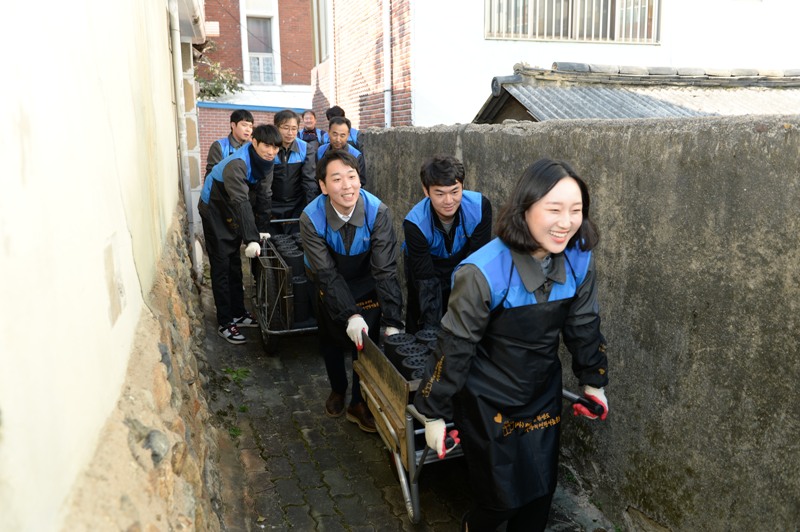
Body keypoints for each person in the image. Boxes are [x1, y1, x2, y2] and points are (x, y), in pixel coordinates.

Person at [413, 159, 610, 532]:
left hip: (541, 390)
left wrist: (593, 381)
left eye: (576, 210)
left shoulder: (580, 258)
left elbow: (583, 322)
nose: (566, 222)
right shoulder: (483, 271)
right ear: (525, 208)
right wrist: (432, 413)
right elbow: (453, 346)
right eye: (554, 209)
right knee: (498, 498)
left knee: (540, 493)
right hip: (488, 398)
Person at [300, 150, 404, 432]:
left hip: (365, 278)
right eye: (336, 179)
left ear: (360, 179)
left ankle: (358, 402)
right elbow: (326, 273)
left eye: (352, 176)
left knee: (365, 344)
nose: (346, 185)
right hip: (325, 279)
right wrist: (349, 314)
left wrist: (394, 321)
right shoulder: (311, 218)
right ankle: (337, 388)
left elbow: (385, 269)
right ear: (323, 186)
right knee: (331, 338)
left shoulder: (378, 212)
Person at [198, 125, 282, 344]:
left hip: (232, 208)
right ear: (254, 142)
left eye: (275, 147)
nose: (271, 151)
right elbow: (241, 202)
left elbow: (265, 194)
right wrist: (251, 238)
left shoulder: (268, 163)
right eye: (267, 146)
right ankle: (225, 322)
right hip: (215, 208)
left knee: (234, 261)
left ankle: (238, 312)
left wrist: (261, 228)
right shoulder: (237, 164)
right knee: (221, 263)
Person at [402, 155, 492, 334]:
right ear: (426, 191)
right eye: (440, 194)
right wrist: (432, 334)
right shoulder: (415, 223)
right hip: (426, 267)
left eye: (455, 191)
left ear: (462, 187)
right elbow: (426, 281)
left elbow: (476, 266)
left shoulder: (480, 208)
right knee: (421, 312)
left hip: (463, 261)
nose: (449, 201)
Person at [271, 110, 318, 233]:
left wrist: (311, 210)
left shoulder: (306, 148)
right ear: (276, 127)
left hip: (296, 205)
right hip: (272, 204)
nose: (290, 133)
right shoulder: (269, 148)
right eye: (286, 128)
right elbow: (263, 182)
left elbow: (309, 181)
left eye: (294, 128)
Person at [316, 116, 367, 188]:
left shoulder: (356, 155)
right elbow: (316, 176)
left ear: (348, 135)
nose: (338, 139)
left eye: (342, 135)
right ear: (328, 133)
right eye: (334, 134)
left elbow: (361, 181)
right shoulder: (320, 151)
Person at [205, 109, 254, 177]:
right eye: (244, 125)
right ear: (233, 125)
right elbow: (212, 175)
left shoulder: (253, 147)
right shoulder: (219, 146)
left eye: (250, 126)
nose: (248, 130)